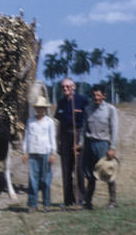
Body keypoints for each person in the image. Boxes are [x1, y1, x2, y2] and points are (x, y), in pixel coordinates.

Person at [79, 84, 119, 209]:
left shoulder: (110, 110)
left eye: (98, 95)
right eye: (94, 95)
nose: (96, 97)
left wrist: (112, 147)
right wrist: (80, 143)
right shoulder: (87, 109)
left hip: (103, 144)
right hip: (89, 144)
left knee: (108, 172)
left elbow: (114, 129)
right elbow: (83, 129)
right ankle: (88, 202)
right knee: (90, 175)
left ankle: (112, 201)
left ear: (104, 96)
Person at [54, 77, 88, 208]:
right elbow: (58, 124)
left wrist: (81, 141)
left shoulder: (82, 100)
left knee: (78, 169)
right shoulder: (61, 102)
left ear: (74, 87)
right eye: (63, 87)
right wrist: (58, 142)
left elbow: (86, 122)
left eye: (68, 86)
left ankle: (81, 199)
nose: (65, 89)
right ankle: (68, 200)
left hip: (77, 135)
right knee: (66, 170)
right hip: (64, 137)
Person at [21, 95, 57, 212]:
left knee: (45, 180)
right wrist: (24, 152)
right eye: (37, 107)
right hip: (33, 153)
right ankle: (33, 204)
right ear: (35, 108)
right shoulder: (30, 121)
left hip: (45, 152)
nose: (39, 109)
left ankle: (46, 204)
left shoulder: (49, 122)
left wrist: (53, 153)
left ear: (45, 109)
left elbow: (52, 138)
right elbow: (26, 137)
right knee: (32, 180)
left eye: (42, 107)